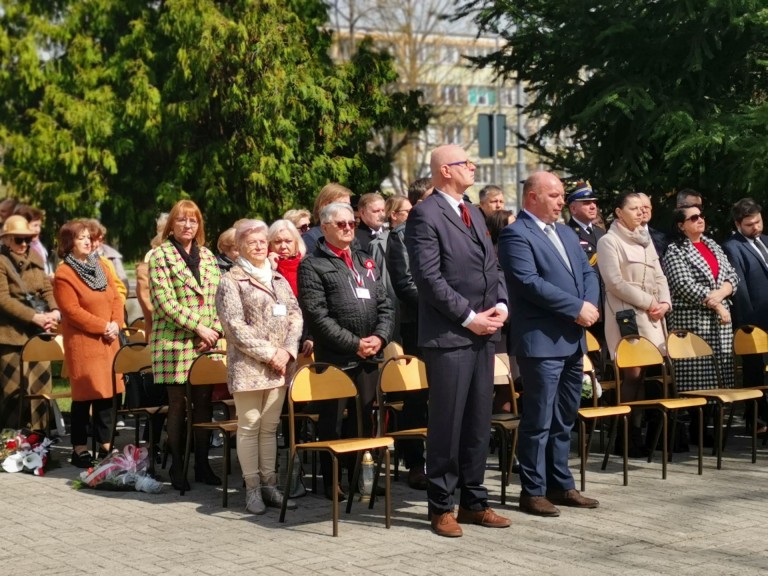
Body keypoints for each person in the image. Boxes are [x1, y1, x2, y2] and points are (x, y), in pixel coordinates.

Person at [406, 144, 511, 537]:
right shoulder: (425, 214)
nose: (473, 166)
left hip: (484, 334)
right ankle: (441, 506)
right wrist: (469, 317)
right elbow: (429, 278)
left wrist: (501, 304)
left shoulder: (473, 211)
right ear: (445, 170)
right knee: (447, 424)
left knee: (478, 422)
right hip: (450, 336)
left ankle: (474, 502)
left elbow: (493, 265)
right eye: (466, 162)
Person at [498, 171, 600, 518]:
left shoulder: (566, 232)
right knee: (539, 419)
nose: (561, 202)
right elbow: (528, 282)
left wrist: (589, 306)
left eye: (561, 196)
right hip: (541, 342)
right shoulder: (516, 234)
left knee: (565, 417)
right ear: (532, 197)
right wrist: (576, 308)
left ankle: (561, 484)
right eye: (554, 195)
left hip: (572, 339)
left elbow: (588, 273)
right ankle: (533, 490)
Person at [297, 202, 394, 501]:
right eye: (341, 224)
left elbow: (385, 305)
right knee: (333, 421)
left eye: (352, 223)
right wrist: (355, 344)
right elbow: (318, 316)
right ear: (325, 227)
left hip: (369, 356)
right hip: (336, 358)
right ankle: (332, 481)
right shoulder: (312, 265)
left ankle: (359, 479)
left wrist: (380, 337)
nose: (349, 228)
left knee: (363, 419)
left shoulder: (365, 261)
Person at [216, 219, 303, 515]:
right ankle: (252, 489)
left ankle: (270, 485)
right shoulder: (231, 281)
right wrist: (270, 354)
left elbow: (295, 315)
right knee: (250, 425)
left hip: (280, 366)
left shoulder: (277, 278)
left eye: (262, 242)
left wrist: (287, 351)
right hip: (249, 367)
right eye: (251, 242)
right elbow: (234, 327)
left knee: (270, 428)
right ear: (239, 247)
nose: (258, 246)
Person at [148, 199, 222, 490]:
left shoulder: (208, 256)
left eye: (193, 220)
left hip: (207, 342)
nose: (187, 225)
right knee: (178, 404)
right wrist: (199, 327)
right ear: (171, 225)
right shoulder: (160, 256)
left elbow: (219, 298)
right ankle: (177, 466)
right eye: (181, 220)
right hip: (174, 342)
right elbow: (163, 302)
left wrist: (214, 331)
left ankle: (202, 464)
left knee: (203, 403)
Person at [597, 192, 672, 456]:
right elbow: (615, 282)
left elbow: (660, 275)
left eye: (643, 208)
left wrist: (665, 302)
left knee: (646, 376)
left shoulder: (645, 239)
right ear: (619, 212)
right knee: (632, 375)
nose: (640, 212)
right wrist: (650, 302)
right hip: (626, 315)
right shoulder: (609, 241)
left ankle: (639, 432)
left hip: (652, 316)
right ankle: (624, 436)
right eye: (633, 208)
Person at [664, 205, 739, 441]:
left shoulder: (712, 245)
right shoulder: (675, 251)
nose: (700, 220)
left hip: (719, 323)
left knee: (718, 376)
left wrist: (723, 292)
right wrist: (716, 303)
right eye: (694, 217)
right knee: (697, 378)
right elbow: (683, 285)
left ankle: (711, 427)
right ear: (681, 225)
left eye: (702, 216)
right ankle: (697, 429)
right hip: (694, 322)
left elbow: (732, 275)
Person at [54, 219, 124, 467]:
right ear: (68, 242)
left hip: (109, 340)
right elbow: (71, 311)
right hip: (84, 343)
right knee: (85, 396)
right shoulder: (64, 273)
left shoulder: (100, 265)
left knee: (108, 394)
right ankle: (80, 448)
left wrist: (116, 323)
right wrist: (102, 326)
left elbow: (116, 297)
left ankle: (106, 446)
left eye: (89, 237)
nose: (87, 241)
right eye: (81, 237)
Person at [0, 216, 59, 430]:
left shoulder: (36, 257)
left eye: (28, 239)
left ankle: (41, 437)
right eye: (19, 239)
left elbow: (46, 289)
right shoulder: (1, 262)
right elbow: (3, 299)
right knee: (13, 392)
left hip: (38, 334)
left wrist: (55, 312)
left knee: (41, 390)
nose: (24, 244)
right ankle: (12, 441)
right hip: (10, 336)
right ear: (6, 239)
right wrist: (34, 316)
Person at [384, 190, 427, 489]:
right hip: (418, 325)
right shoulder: (401, 235)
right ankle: (415, 463)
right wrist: (445, 307)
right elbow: (406, 283)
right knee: (416, 396)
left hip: (451, 325)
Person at [723, 198, 768, 431]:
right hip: (753, 320)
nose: (756, 227)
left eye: (758, 222)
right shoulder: (733, 247)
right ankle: (756, 419)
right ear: (738, 224)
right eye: (749, 225)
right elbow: (739, 288)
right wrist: (748, 323)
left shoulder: (766, 241)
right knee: (754, 371)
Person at [268, 219, 312, 358]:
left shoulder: (309, 265)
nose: (283, 246)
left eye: (288, 241)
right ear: (270, 244)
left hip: (304, 339)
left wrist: (312, 337)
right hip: (274, 343)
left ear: (296, 243)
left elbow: (317, 305)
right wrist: (270, 269)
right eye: (277, 242)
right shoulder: (262, 269)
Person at [302, 183, 353, 254]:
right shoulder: (310, 237)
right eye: (342, 205)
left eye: (348, 205)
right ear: (325, 205)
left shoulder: (349, 233)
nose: (347, 209)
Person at [86, 219, 127, 303]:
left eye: (100, 240)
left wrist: (118, 305)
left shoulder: (108, 260)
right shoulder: (69, 263)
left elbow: (121, 286)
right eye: (92, 240)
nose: (96, 244)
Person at [14, 205, 53, 277]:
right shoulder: (17, 249)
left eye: (39, 226)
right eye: (35, 225)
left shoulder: (39, 246)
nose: (38, 230)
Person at [637, 193, 670, 259]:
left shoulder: (661, 238)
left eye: (646, 207)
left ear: (651, 208)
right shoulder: (622, 236)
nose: (644, 210)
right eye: (640, 208)